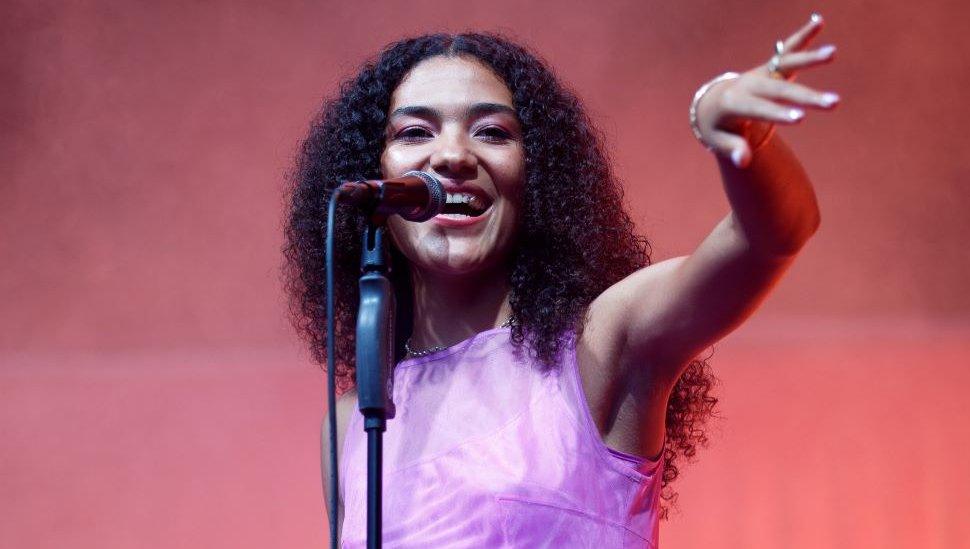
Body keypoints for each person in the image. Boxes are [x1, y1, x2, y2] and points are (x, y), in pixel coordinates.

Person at [283, 13, 837, 548]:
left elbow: (770, 238)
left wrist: (739, 135)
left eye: (493, 132)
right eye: (415, 132)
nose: (452, 154)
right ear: (371, 169)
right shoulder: (352, 421)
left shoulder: (601, 344)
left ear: (540, 174)